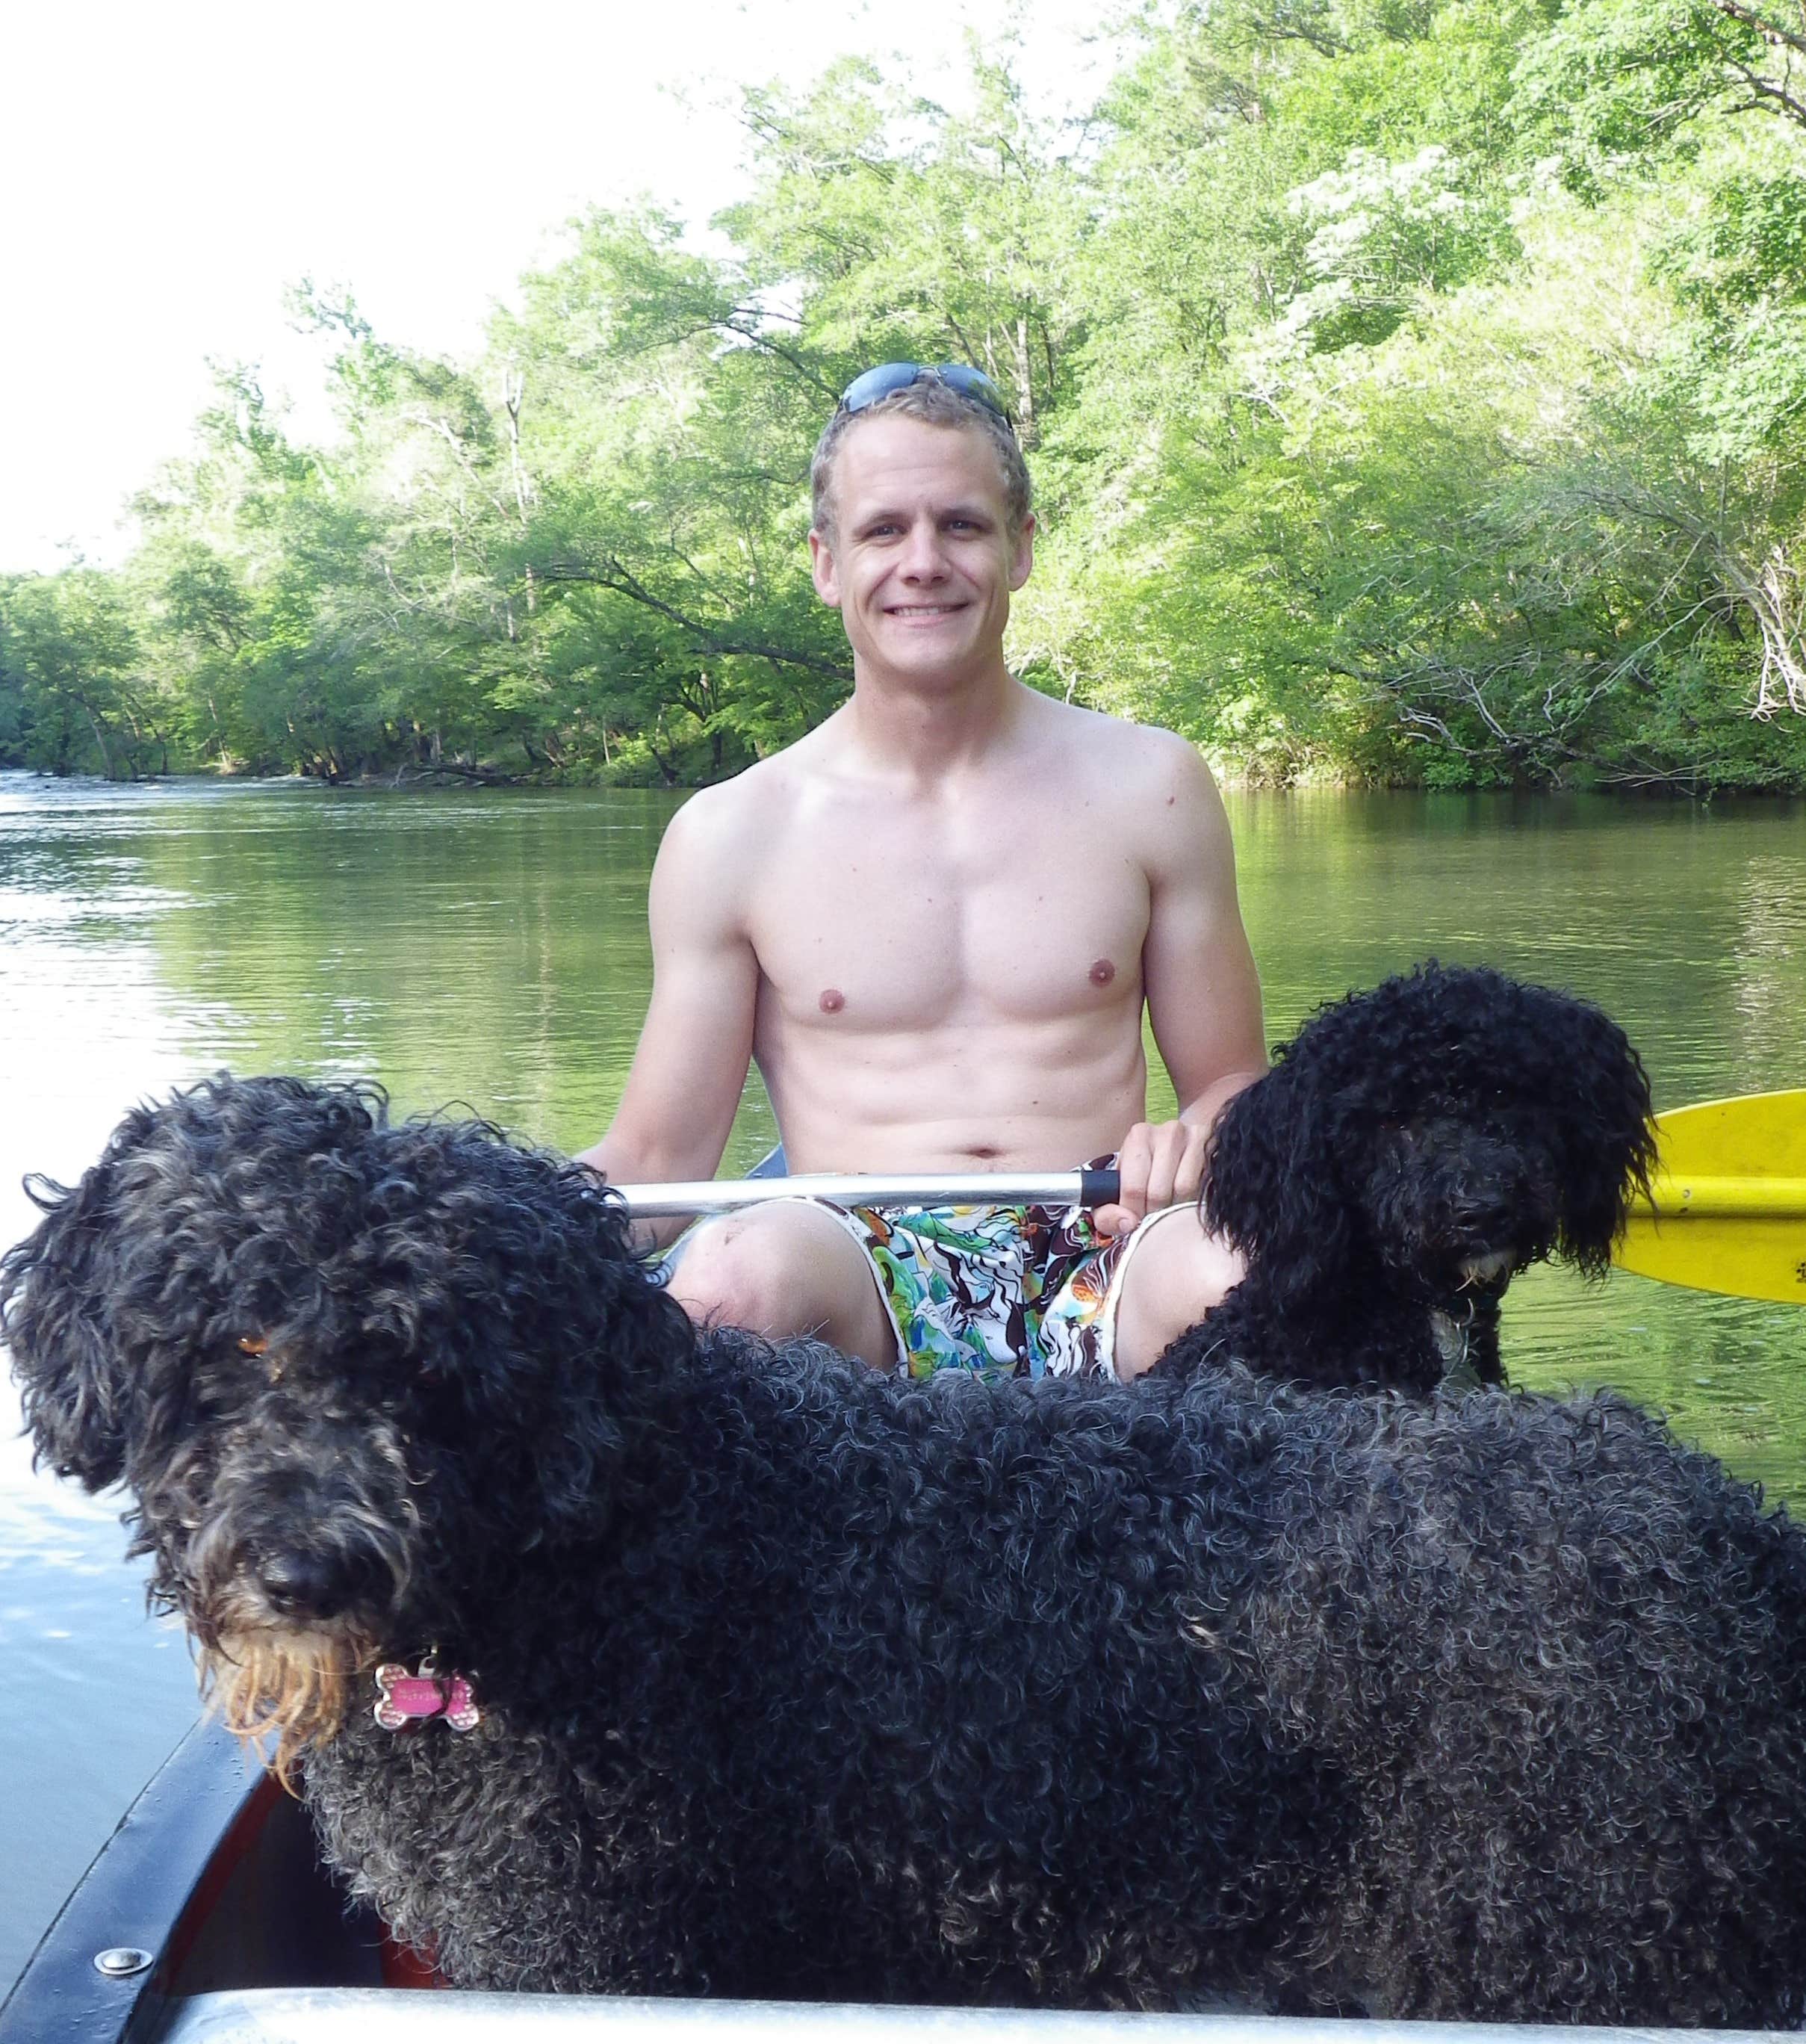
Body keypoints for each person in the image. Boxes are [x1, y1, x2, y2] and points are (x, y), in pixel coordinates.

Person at [579, 363, 1267, 1381]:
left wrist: (1195, 1144)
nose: (923, 562)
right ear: (825, 564)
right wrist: (470, 1219)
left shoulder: (1150, 787)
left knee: (1249, 1278)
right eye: (882, 530)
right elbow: (655, 1162)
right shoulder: (730, 833)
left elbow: (1231, 1088)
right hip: (855, 1258)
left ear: (1020, 547)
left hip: (1109, 1247)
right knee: (735, 1277)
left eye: (962, 525)